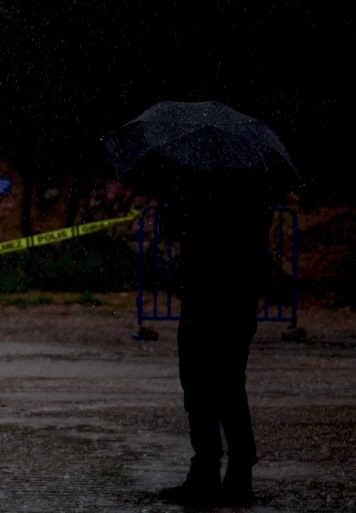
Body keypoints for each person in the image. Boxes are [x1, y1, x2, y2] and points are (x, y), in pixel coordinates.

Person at [155, 183, 274, 508]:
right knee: (203, 386)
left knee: (223, 388)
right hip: (216, 296)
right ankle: (213, 471)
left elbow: (176, 229)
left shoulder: (231, 189)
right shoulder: (251, 185)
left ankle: (231, 474)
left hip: (221, 295)